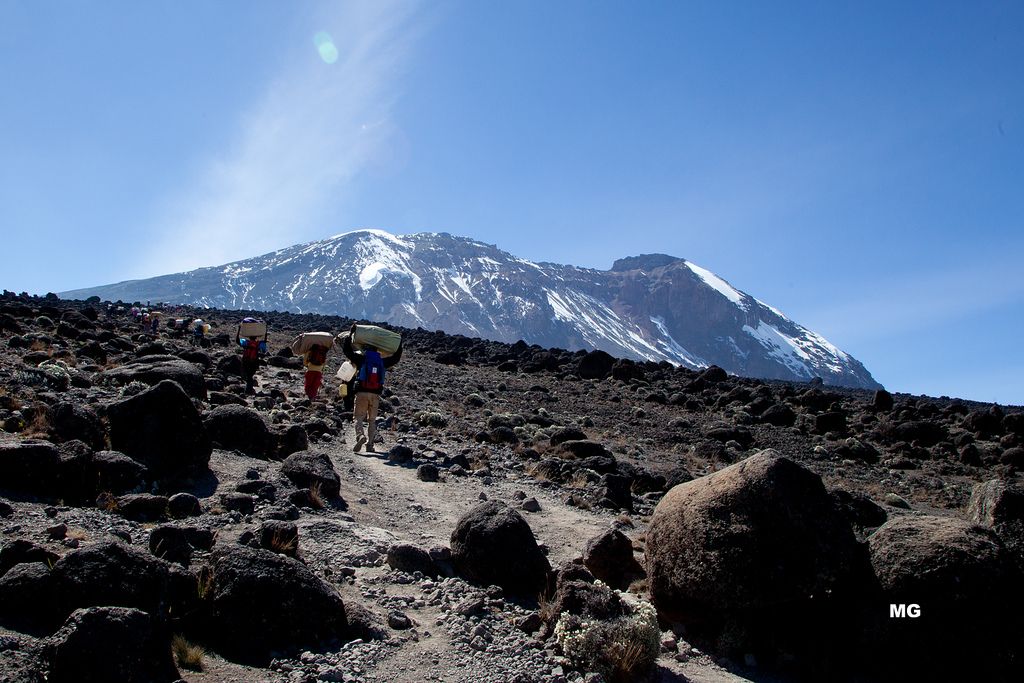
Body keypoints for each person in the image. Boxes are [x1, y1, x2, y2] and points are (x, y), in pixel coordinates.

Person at [342, 329, 402, 453]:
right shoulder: (381, 361)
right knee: (372, 421)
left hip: (361, 392)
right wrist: (399, 344)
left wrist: (349, 337)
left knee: (358, 417)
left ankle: (360, 436)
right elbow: (395, 358)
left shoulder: (361, 359)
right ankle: (370, 444)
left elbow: (347, 351)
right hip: (375, 394)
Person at [236, 321, 267, 395]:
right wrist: (265, 332)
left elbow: (237, 341)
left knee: (248, 376)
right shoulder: (258, 344)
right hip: (254, 361)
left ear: (249, 336)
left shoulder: (245, 342)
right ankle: (248, 390)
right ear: (256, 337)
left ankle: (248, 391)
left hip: (246, 361)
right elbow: (264, 344)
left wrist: (239, 330)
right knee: (250, 376)